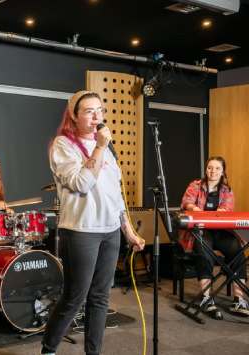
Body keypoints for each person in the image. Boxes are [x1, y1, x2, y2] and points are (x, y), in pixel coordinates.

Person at [41, 90, 145, 355]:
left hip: (110, 232)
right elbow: (81, 184)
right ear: (74, 116)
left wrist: (129, 231)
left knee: (100, 298)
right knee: (75, 298)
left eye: (99, 109)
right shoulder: (63, 145)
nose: (97, 115)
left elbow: (115, 195)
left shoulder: (108, 149)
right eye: (89, 111)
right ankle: (49, 349)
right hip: (81, 231)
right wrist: (98, 147)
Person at [180, 156, 249, 318]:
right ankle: (206, 298)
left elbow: (226, 209)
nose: (213, 171)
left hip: (221, 230)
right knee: (204, 252)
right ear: (206, 169)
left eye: (217, 168)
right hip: (200, 230)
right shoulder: (195, 185)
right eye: (210, 168)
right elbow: (187, 203)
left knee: (238, 251)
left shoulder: (227, 190)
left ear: (223, 171)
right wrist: (196, 210)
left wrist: (205, 212)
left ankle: (239, 300)